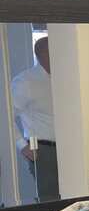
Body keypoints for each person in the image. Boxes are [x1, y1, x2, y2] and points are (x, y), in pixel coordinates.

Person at [11, 36, 59, 202]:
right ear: (42, 54)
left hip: (70, 148)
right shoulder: (25, 82)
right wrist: (22, 146)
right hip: (43, 151)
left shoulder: (65, 77)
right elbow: (5, 118)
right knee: (49, 201)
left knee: (75, 196)